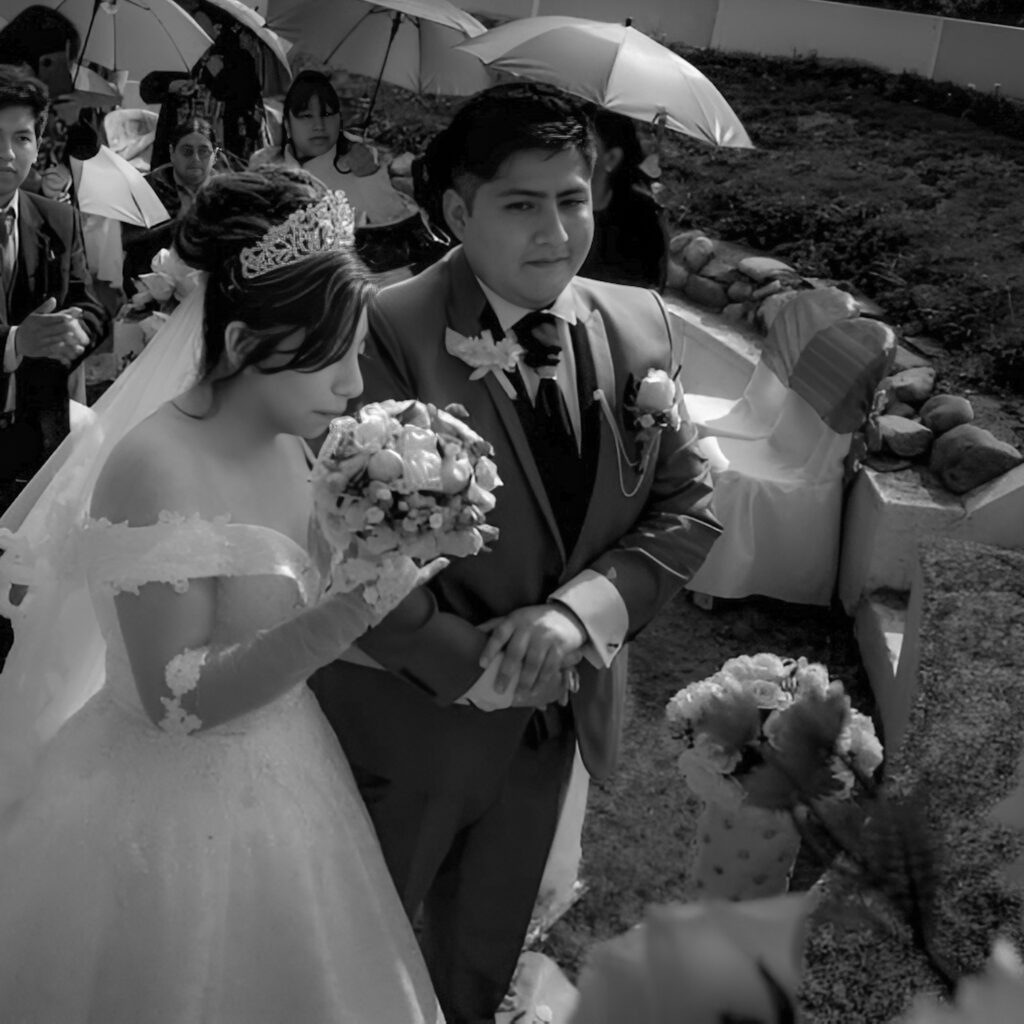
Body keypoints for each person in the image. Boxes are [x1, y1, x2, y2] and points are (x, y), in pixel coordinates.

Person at [310, 82, 722, 1024]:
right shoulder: (382, 333)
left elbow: (690, 504)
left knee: (478, 959)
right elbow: (347, 543)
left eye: (572, 199)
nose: (556, 231)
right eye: (521, 204)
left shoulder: (642, 327)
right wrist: (479, 670)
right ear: (459, 213)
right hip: (410, 721)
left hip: (551, 719)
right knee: (358, 960)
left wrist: (577, 618)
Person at [0, 167, 443, 1023]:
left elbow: (295, 605)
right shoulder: (154, 467)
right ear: (242, 343)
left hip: (287, 775)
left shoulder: (291, 443)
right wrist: (355, 605)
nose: (355, 384)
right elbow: (178, 700)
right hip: (159, 814)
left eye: (357, 352)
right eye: (333, 356)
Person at [0, 65, 108, 514]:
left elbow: (90, 306)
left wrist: (74, 331)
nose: (7, 154)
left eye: (21, 138)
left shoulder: (58, 219)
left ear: (39, 142)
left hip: (38, 439)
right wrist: (14, 342)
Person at [249, 69, 443, 274]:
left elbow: (392, 218)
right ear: (288, 124)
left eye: (327, 115)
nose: (318, 125)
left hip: (342, 276)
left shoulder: (356, 161)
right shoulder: (266, 163)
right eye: (306, 116)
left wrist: (370, 175)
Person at [122, 118, 220, 289]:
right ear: (172, 153)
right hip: (149, 286)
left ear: (216, 155)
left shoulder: (227, 193)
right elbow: (129, 240)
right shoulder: (145, 190)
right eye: (187, 151)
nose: (196, 158)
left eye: (204, 151)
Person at [579, 108, 670, 291]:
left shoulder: (642, 219)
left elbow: (650, 287)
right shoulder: (552, 204)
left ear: (612, 158)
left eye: (582, 144)